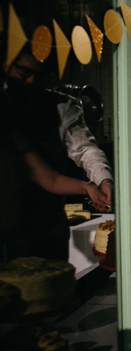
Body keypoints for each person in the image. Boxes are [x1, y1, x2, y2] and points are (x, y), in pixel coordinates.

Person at [2, 47, 114, 260]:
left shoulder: (63, 106)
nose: (31, 81)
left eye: (41, 75)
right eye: (24, 72)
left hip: (49, 226)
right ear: (7, 65)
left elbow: (79, 154)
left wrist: (101, 179)